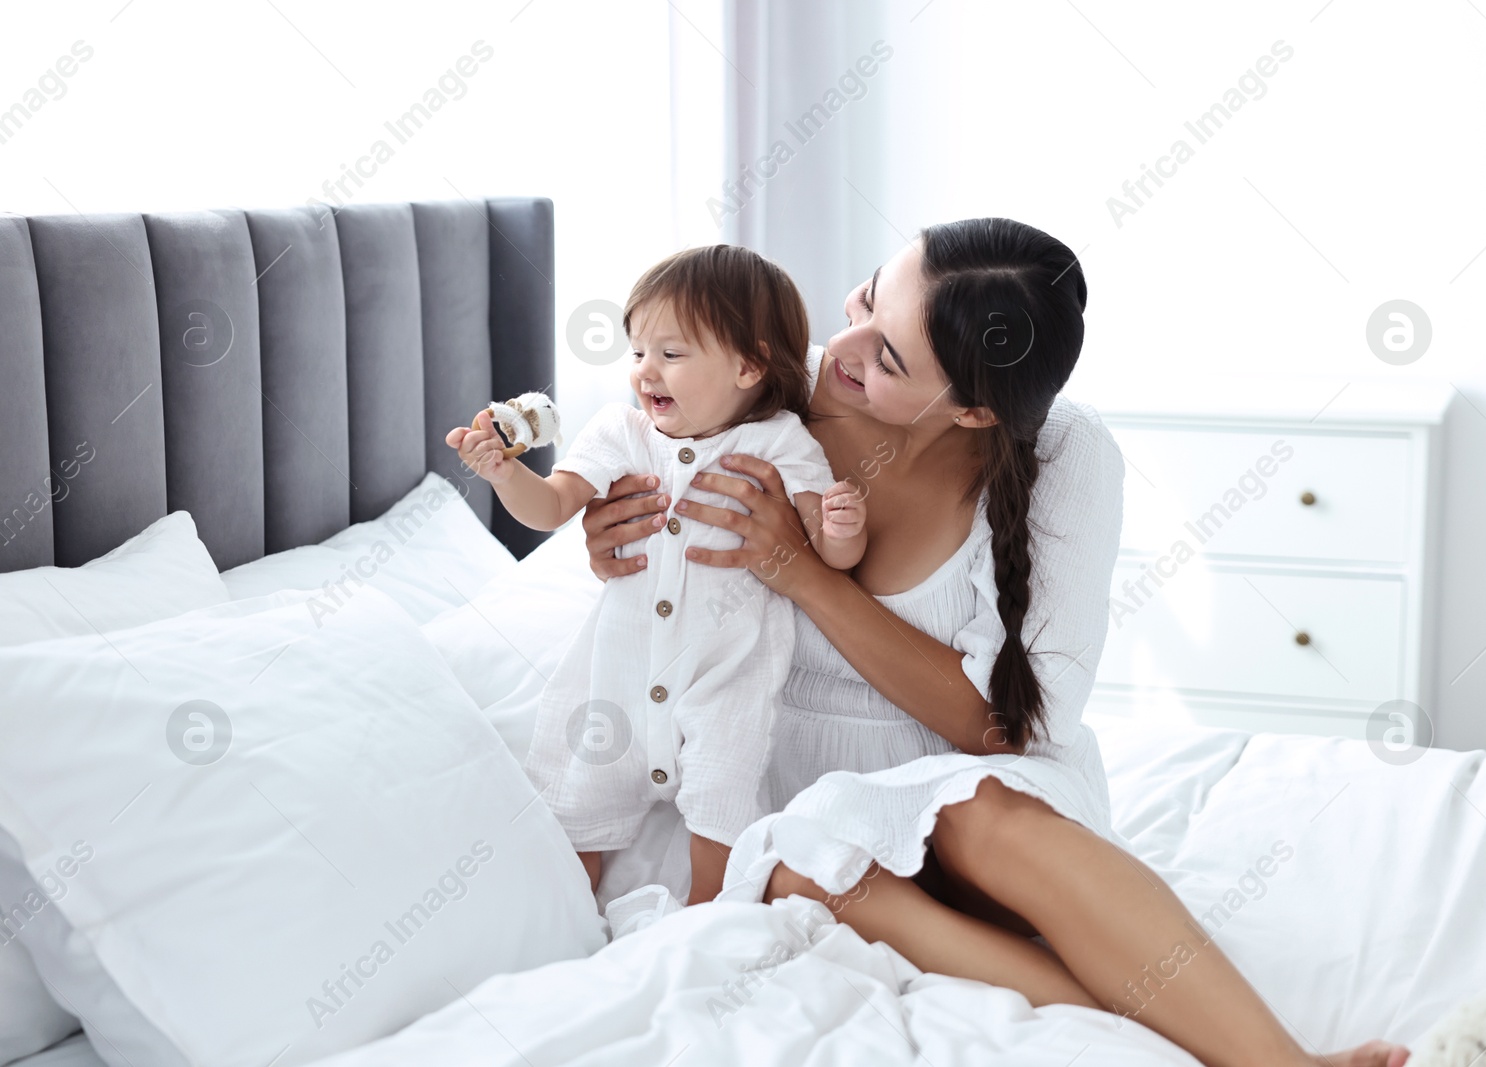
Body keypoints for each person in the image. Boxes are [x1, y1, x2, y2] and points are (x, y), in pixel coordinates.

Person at [578, 218, 1410, 1067]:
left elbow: (1015, 727)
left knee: (978, 811)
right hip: (804, 797)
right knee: (802, 862)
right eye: (868, 295)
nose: (844, 346)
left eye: (889, 358)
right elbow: (632, 502)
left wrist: (808, 577)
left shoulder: (1063, 452)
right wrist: (612, 539)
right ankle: (1159, 1037)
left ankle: (1288, 1063)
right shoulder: (761, 391)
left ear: (973, 409)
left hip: (978, 794)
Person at [446, 245, 867, 906]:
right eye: (637, 351)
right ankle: (569, 917)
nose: (645, 371)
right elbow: (552, 506)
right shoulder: (622, 432)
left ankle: (706, 917)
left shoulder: (779, 440)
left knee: (723, 793)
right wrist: (505, 473)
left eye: (670, 354)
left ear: (748, 363)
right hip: (618, 673)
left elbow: (831, 554)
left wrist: (843, 525)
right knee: (580, 798)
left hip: (724, 677)